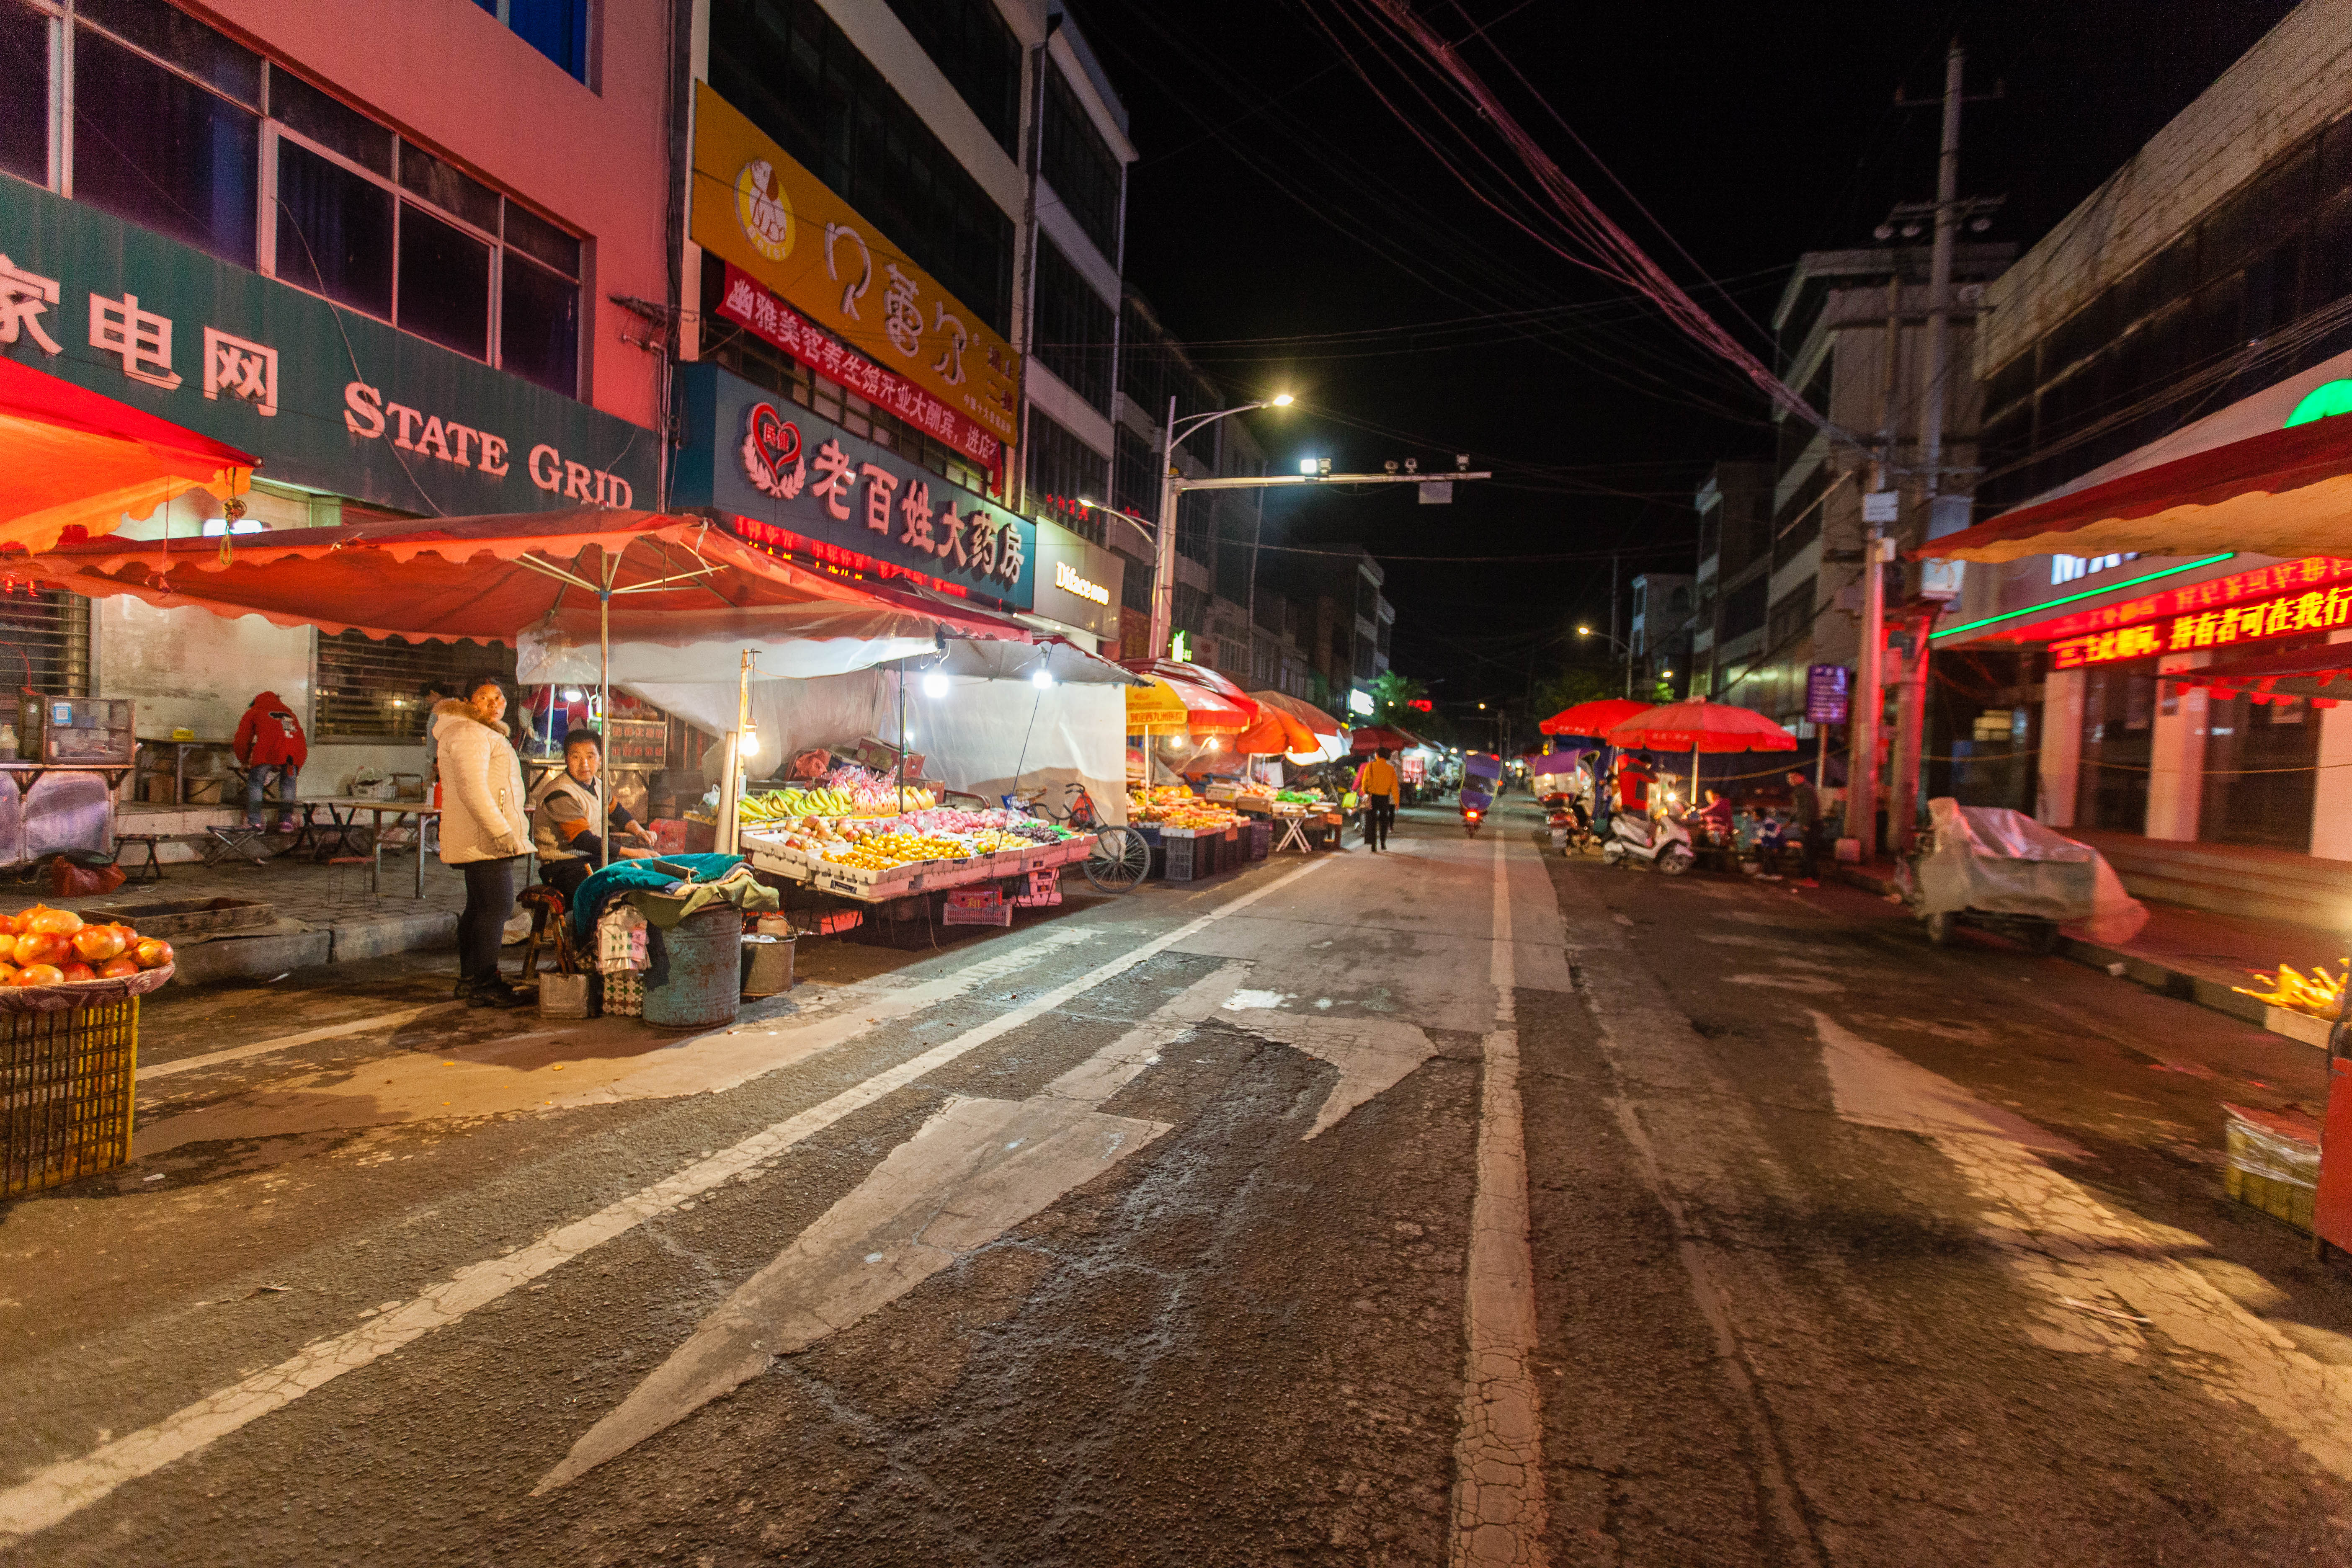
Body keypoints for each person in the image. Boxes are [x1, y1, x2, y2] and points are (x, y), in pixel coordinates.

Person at [435, 679, 531, 1008]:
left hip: (483, 834)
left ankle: (471, 979)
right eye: (484, 698)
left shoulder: (480, 732)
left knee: (479, 907)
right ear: (467, 701)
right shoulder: (468, 733)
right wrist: (501, 832)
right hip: (485, 836)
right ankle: (483, 981)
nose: (494, 704)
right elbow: (472, 790)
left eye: (499, 697)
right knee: (497, 907)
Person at [530, 728, 656, 902]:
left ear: (600, 758)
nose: (585, 764)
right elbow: (583, 840)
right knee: (618, 894)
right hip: (563, 868)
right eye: (576, 757)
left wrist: (640, 832)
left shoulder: (599, 785)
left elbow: (618, 813)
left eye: (591, 756)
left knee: (642, 884)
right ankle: (590, 930)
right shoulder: (560, 793)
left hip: (593, 860)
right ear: (566, 759)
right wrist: (632, 853)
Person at [232, 690, 307, 831]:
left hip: (268, 750)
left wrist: (244, 760)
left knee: (255, 783)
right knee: (289, 785)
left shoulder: (255, 710)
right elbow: (293, 737)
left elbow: (242, 739)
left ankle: (254, 823)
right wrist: (283, 760)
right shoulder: (287, 711)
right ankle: (286, 822)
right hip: (294, 752)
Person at [1354, 746, 1401, 852]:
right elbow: (1394, 787)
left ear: (1377, 755)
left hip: (1372, 797)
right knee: (1384, 821)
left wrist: (1366, 791)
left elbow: (1365, 783)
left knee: (1372, 821)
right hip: (1385, 798)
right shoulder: (1390, 769)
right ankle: (1383, 843)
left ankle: (1373, 845)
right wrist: (1397, 802)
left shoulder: (1370, 767)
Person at [1788, 770, 1823, 879]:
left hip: (1811, 824)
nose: (1791, 780)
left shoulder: (1806, 789)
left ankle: (1811, 876)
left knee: (1809, 850)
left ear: (1802, 777)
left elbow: (1809, 808)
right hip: (1808, 823)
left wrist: (1806, 824)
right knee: (1807, 850)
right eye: (1789, 778)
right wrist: (1790, 821)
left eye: (1794, 777)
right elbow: (1799, 809)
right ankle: (1808, 875)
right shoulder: (1800, 789)